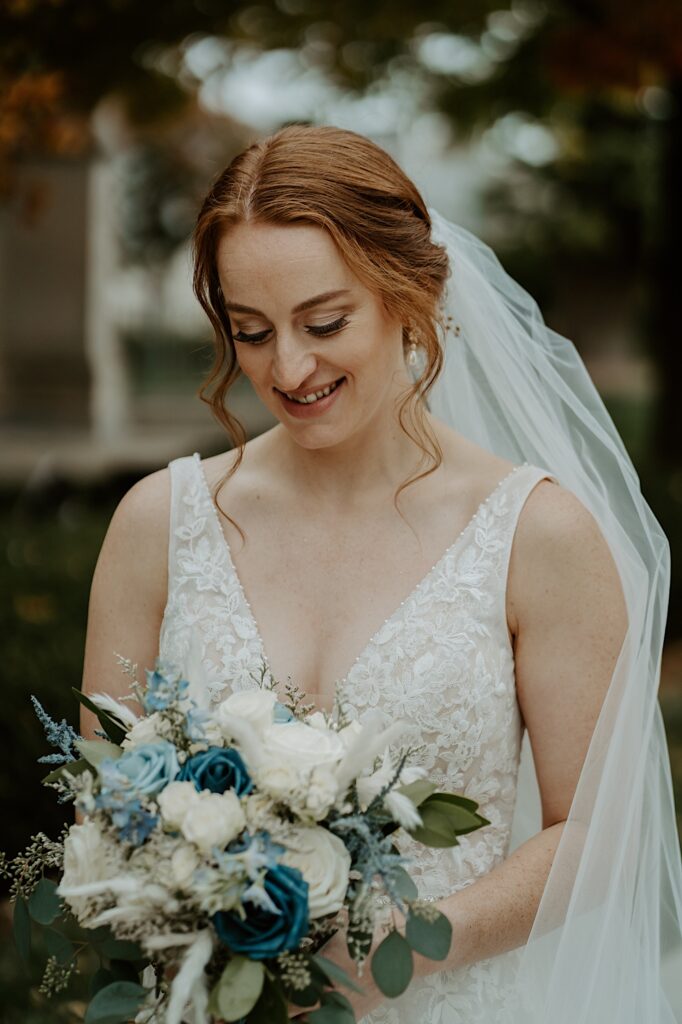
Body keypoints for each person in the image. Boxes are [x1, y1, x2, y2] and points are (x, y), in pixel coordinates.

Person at [80, 124, 682, 1022]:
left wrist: (393, 951)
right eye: (250, 332)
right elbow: (103, 805)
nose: (288, 367)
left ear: (413, 293)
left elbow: (597, 834)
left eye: (325, 323)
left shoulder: (536, 534)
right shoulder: (158, 524)